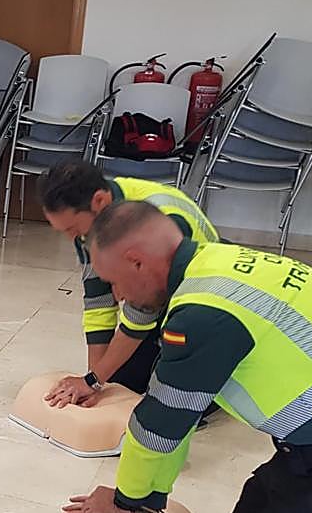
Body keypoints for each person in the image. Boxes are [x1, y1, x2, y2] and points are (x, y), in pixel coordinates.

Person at [63, 201, 312, 513]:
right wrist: (147, 499)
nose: (117, 296)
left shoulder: (204, 314)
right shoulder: (220, 259)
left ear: (138, 261)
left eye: (116, 281)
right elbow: (180, 417)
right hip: (309, 452)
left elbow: (160, 425)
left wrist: (127, 501)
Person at [37, 160, 220, 407]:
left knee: (171, 402)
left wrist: (93, 381)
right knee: (121, 383)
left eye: (71, 228)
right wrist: (95, 381)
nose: (72, 238)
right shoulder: (92, 225)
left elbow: (142, 311)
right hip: (157, 299)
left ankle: (219, 378)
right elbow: (98, 300)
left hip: (204, 305)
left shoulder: (161, 221)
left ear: (99, 201)